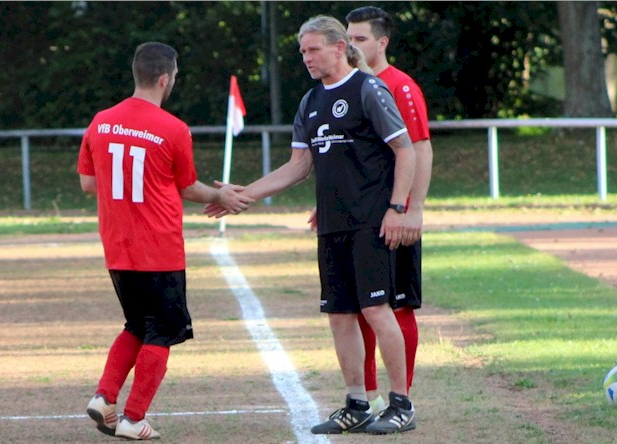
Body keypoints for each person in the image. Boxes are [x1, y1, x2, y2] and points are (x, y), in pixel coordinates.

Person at [206, 15, 416, 435]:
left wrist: (398, 208)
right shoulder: (310, 102)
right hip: (332, 223)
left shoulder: (369, 89)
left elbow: (405, 150)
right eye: (302, 51)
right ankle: (356, 403)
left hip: (371, 222)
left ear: (339, 48)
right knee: (339, 314)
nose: (306, 57)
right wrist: (242, 194)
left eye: (313, 48)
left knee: (376, 308)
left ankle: (402, 404)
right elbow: (298, 166)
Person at [77, 41, 253, 440]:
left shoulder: (100, 121)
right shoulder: (173, 128)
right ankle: (133, 418)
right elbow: (188, 186)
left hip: (117, 247)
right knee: (162, 331)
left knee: (137, 324)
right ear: (164, 78)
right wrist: (220, 195)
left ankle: (105, 398)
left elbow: (89, 183)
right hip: (158, 248)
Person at [308, 5, 434, 416]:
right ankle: (366, 397)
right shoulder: (340, 89)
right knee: (356, 308)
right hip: (356, 213)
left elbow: (417, 148)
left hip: (389, 214)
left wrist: (411, 209)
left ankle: (402, 397)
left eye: (361, 39)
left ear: (381, 43)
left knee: (393, 305)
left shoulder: (396, 86)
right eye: (350, 36)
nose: (353, 44)